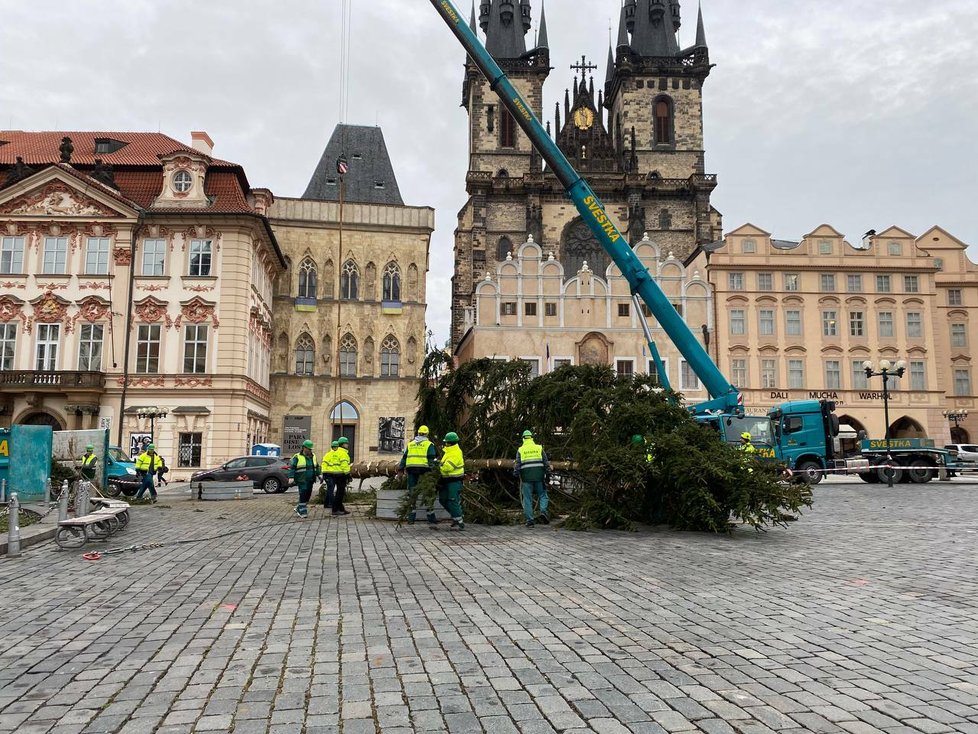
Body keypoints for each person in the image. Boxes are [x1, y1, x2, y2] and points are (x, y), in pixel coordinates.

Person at [398, 425, 438, 524]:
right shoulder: (429, 444)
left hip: (411, 469)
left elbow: (404, 457)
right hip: (424, 470)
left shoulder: (411, 444)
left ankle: (411, 517)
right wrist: (434, 471)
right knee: (428, 492)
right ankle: (430, 517)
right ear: (427, 434)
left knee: (412, 492)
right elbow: (431, 459)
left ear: (418, 433)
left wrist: (400, 469)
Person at [515, 430, 550, 527]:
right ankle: (543, 511)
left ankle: (530, 521)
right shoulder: (539, 448)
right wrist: (548, 473)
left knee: (527, 499)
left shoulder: (521, 450)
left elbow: (518, 465)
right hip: (539, 476)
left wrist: (516, 474)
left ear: (523, 439)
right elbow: (545, 462)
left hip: (526, 478)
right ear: (532, 438)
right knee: (543, 495)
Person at [439, 432, 465, 531]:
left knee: (452, 500)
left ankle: (460, 522)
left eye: (446, 442)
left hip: (454, 481)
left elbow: (448, 467)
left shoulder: (456, 453)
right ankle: (456, 516)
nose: (445, 444)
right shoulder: (448, 452)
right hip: (446, 480)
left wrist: (439, 466)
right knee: (443, 499)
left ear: (450, 443)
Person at [289, 439, 319, 518]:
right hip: (301, 479)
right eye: (309, 449)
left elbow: (316, 466)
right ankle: (303, 512)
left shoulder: (313, 456)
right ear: (304, 448)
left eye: (311, 449)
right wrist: (291, 477)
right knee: (303, 494)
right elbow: (292, 468)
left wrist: (319, 475)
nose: (310, 450)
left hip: (310, 480)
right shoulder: (297, 457)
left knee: (308, 495)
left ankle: (299, 507)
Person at [332, 437, 351, 516]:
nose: (347, 445)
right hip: (341, 475)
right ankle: (335, 509)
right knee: (340, 493)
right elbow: (344, 465)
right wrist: (348, 474)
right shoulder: (343, 453)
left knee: (339, 492)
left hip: (336, 474)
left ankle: (341, 508)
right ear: (342, 444)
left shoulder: (336, 451)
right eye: (346, 443)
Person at [319, 441, 340, 507]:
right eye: (336, 447)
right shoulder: (329, 455)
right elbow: (324, 464)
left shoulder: (328, 454)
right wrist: (323, 474)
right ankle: (332, 504)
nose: (336, 448)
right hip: (328, 475)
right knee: (331, 489)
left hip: (330, 475)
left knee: (330, 489)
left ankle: (326, 504)